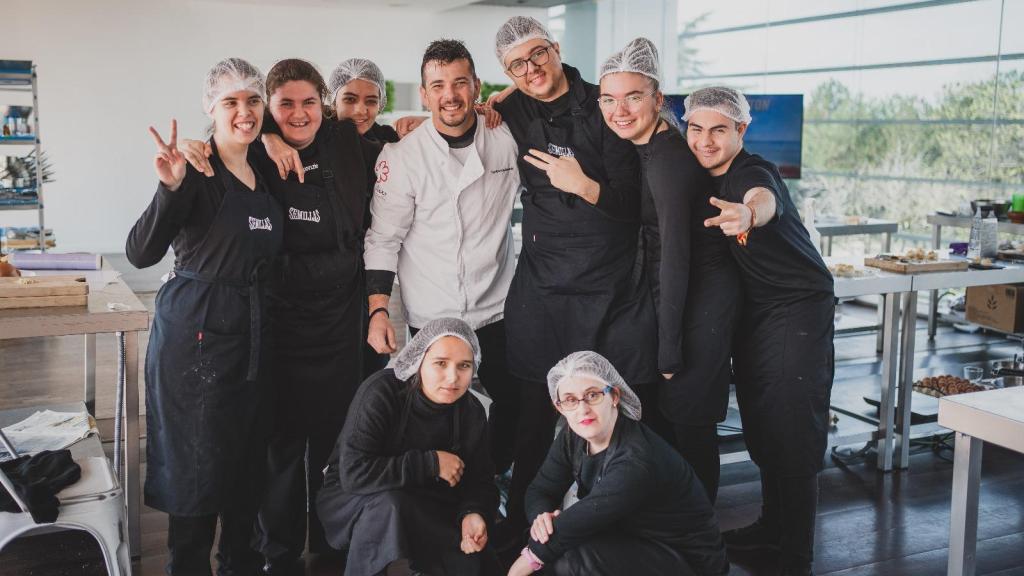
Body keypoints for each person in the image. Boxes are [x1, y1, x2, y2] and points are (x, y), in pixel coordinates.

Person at [177, 58, 378, 573]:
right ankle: (280, 554)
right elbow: (224, 133)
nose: (298, 113)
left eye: (308, 102)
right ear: (270, 108)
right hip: (278, 320)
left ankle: (331, 547)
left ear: (324, 105)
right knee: (282, 450)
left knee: (334, 445)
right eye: (283, 104)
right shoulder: (258, 154)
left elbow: (400, 141)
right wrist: (265, 133)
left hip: (338, 321)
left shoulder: (348, 142)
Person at [483, 16, 660, 537]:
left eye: (538, 54)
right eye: (517, 64)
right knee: (534, 413)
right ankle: (522, 526)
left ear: (556, 48)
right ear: (507, 73)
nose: (531, 68)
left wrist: (584, 186)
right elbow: (465, 116)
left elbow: (634, 206)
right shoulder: (510, 107)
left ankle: (616, 522)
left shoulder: (605, 107)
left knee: (609, 414)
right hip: (541, 283)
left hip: (610, 286)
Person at [126, 58, 282, 576]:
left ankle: (240, 564)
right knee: (197, 466)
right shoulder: (194, 169)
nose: (244, 112)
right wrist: (168, 188)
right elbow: (141, 252)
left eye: (252, 100)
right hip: (194, 336)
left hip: (252, 336)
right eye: (231, 102)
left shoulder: (264, 168)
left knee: (245, 463)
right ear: (209, 108)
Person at [363, 38, 522, 518]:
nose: (449, 95)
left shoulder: (506, 138)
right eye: (438, 86)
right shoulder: (402, 154)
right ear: (425, 95)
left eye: (459, 83)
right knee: (437, 410)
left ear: (476, 87)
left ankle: (488, 483)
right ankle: (439, 498)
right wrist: (377, 311)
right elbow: (383, 239)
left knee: (512, 405)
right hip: (434, 313)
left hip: (497, 304)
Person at [684, 86, 836, 576]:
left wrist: (749, 213)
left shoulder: (750, 171)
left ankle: (796, 554)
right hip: (755, 312)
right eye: (696, 128)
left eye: (719, 130)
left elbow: (763, 197)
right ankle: (772, 527)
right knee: (764, 422)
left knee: (792, 425)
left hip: (797, 306)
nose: (705, 141)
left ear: (741, 130)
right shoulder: (698, 170)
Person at [597, 38, 739, 503]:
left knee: (692, 431)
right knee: (674, 429)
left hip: (699, 304)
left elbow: (677, 254)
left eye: (633, 97)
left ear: (659, 100)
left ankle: (701, 543)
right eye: (608, 99)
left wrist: (670, 350)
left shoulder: (669, 159)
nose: (619, 110)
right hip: (679, 301)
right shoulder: (649, 147)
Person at [506, 351, 729, 576]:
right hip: (630, 538)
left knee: (571, 559)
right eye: (570, 400)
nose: (582, 409)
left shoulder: (637, 458)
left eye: (592, 395)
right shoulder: (572, 436)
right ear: (560, 407)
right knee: (552, 539)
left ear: (614, 396)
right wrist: (541, 519)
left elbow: (584, 518)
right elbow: (541, 489)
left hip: (686, 560)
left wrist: (524, 563)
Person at [317, 318, 500, 576]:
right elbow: (354, 473)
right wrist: (431, 463)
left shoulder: (472, 411)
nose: (453, 377)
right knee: (392, 505)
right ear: (418, 361)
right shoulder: (381, 392)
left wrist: (474, 512)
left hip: (427, 498)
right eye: (441, 363)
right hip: (356, 496)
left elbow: (481, 480)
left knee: (476, 560)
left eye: (464, 366)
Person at [328, 57, 400, 145]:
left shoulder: (390, 140)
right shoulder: (315, 141)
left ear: (380, 104)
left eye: (371, 101)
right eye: (350, 99)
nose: (360, 111)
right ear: (334, 102)